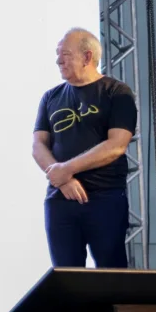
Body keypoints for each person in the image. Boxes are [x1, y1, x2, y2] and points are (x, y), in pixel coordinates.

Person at [32, 27, 136, 268]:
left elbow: (117, 145)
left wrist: (67, 169)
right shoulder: (51, 97)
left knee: (112, 274)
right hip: (60, 198)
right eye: (58, 54)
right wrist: (62, 179)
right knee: (66, 274)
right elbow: (38, 145)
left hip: (105, 197)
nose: (58, 61)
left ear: (87, 56)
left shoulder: (116, 92)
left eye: (65, 54)